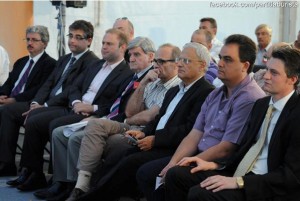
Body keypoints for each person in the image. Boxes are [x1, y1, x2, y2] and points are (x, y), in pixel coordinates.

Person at [37, 42, 180, 201]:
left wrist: (129, 118)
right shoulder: (152, 81)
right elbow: (130, 111)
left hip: (144, 130)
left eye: (162, 61)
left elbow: (148, 117)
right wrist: (144, 83)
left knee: (100, 138)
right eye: (157, 62)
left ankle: (86, 188)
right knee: (89, 125)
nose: (157, 66)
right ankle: (78, 185)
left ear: (176, 63)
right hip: (127, 123)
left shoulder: (176, 86)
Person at [136, 34, 266, 201]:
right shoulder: (216, 93)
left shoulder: (249, 98)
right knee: (152, 172)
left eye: (227, 59)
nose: (219, 63)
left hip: (222, 166)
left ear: (245, 65)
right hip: (200, 156)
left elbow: (227, 148)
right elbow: (195, 133)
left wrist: (186, 162)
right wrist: (173, 162)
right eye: (220, 58)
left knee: (174, 175)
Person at [79, 42, 215, 201]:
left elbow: (189, 129)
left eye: (186, 61)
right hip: (156, 140)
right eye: (179, 59)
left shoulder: (206, 92)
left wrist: (156, 139)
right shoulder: (174, 90)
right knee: (117, 157)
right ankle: (88, 192)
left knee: (132, 163)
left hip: (174, 148)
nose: (179, 64)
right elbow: (159, 119)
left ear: (202, 65)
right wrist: (143, 132)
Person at [5, 28, 133, 192]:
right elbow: (74, 87)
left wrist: (92, 107)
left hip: (94, 115)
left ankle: (59, 181)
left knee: (55, 125)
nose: (104, 47)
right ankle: (33, 172)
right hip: (75, 108)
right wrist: (77, 102)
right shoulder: (96, 65)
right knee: (34, 118)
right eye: (103, 43)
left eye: (109, 44)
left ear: (122, 47)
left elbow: (117, 104)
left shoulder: (126, 72)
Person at [164, 47, 300, 201]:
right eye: (267, 69)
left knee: (201, 194)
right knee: (176, 174)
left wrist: (240, 182)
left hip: (266, 184)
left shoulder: (296, 115)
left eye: (274, 73)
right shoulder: (262, 105)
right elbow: (245, 148)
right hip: (241, 171)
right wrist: (215, 166)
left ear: (292, 79)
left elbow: (291, 175)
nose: (266, 76)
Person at [0, 20, 98, 178]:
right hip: (47, 104)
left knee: (31, 117)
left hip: (64, 106)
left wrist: (44, 105)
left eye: (78, 37)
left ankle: (40, 174)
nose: (72, 40)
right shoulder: (65, 59)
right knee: (13, 112)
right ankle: (21, 168)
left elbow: (71, 91)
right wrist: (35, 103)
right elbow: (47, 84)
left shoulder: (91, 62)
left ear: (89, 40)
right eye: (70, 36)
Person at [0, 25, 56, 105]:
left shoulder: (50, 64)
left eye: (34, 40)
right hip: (8, 99)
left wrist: (14, 100)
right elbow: (9, 82)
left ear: (45, 43)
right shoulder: (20, 62)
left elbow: (39, 89)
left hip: (27, 103)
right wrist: (2, 94)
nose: (29, 43)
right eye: (28, 39)